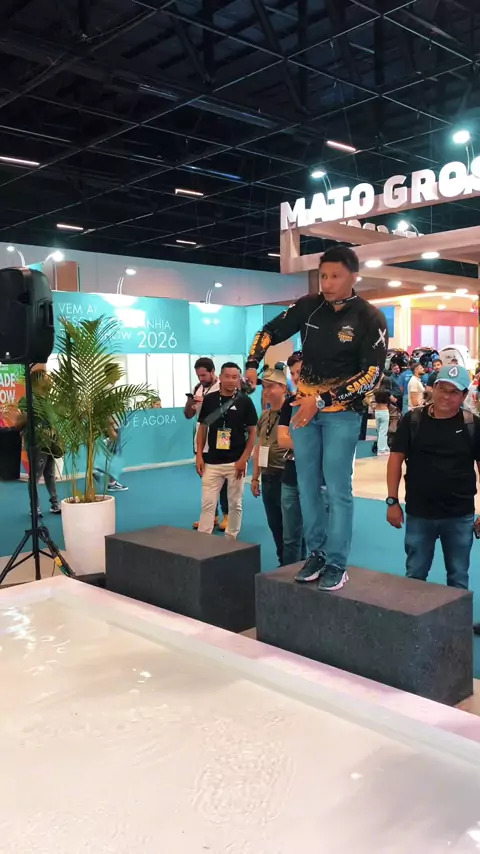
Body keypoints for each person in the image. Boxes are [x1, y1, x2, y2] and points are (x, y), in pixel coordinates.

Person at [246, 244, 388, 591]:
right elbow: (269, 331)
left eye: (335, 276)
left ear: (354, 277)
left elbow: (372, 374)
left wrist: (322, 400)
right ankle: (317, 554)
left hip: (342, 415)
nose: (327, 283)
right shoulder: (308, 306)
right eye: (323, 276)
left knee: (337, 490)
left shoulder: (370, 317)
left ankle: (338, 562)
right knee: (307, 487)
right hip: (304, 412)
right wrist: (252, 363)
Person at [386, 365, 480, 589]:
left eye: (454, 392)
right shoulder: (413, 420)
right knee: (415, 575)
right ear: (433, 389)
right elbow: (395, 460)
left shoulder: (473, 425)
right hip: (419, 512)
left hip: (459, 514)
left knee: (458, 577)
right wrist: (392, 501)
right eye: (442, 389)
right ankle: (413, 613)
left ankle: (457, 614)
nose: (446, 396)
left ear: (464, 395)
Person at [196, 362, 257, 539]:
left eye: (235, 377)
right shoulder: (210, 400)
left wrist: (244, 459)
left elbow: (253, 432)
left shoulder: (245, 401)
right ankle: (203, 539)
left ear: (239, 379)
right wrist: (199, 455)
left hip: (236, 462)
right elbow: (203, 428)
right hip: (212, 461)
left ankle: (231, 539)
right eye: (227, 376)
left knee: (235, 504)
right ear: (220, 377)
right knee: (208, 504)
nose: (231, 380)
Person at [184, 357, 229, 531]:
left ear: (212, 372)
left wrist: (208, 404)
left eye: (204, 375)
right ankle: (212, 515)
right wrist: (191, 403)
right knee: (207, 479)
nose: (201, 378)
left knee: (223, 478)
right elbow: (188, 415)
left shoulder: (222, 387)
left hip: (221, 436)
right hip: (201, 438)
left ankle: (227, 515)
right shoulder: (197, 388)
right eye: (198, 375)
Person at [251, 366, 288, 565]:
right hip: (267, 476)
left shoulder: (291, 413)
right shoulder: (264, 415)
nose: (266, 391)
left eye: (271, 386)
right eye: (264, 387)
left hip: (286, 475)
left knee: (290, 524)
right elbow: (259, 446)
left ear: (283, 388)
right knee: (274, 523)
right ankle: (282, 559)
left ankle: (294, 561)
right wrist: (255, 476)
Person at [17, 370, 62, 516]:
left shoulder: (46, 399)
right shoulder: (28, 399)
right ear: (38, 380)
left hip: (50, 443)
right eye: (46, 377)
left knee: (50, 474)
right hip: (37, 443)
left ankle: (55, 503)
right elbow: (20, 421)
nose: (50, 380)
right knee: (35, 476)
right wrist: (25, 419)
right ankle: (35, 507)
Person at [277, 352, 307, 566]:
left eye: (300, 372)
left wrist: (297, 442)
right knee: (290, 538)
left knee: (317, 537)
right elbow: (282, 440)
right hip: (290, 476)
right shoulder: (289, 404)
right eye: (293, 373)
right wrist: (310, 446)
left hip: (317, 479)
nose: (296, 377)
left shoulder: (326, 404)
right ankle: (287, 577)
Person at [373, 382, 390, 456]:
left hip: (377, 411)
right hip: (384, 412)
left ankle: (385, 447)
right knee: (383, 432)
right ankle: (381, 450)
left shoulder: (376, 392)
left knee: (379, 431)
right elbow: (394, 400)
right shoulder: (387, 392)